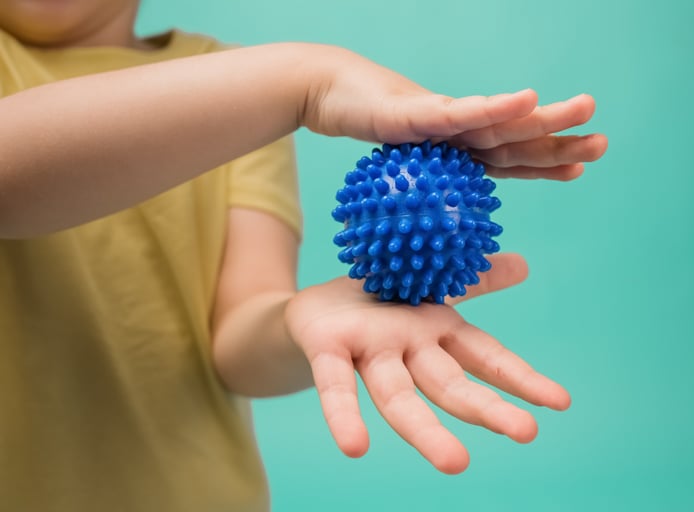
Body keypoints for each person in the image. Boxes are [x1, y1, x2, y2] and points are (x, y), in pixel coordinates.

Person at [0, 0, 608, 510]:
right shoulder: (258, 89)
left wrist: (301, 326)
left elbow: (237, 350)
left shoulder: (227, 81)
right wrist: (302, 79)